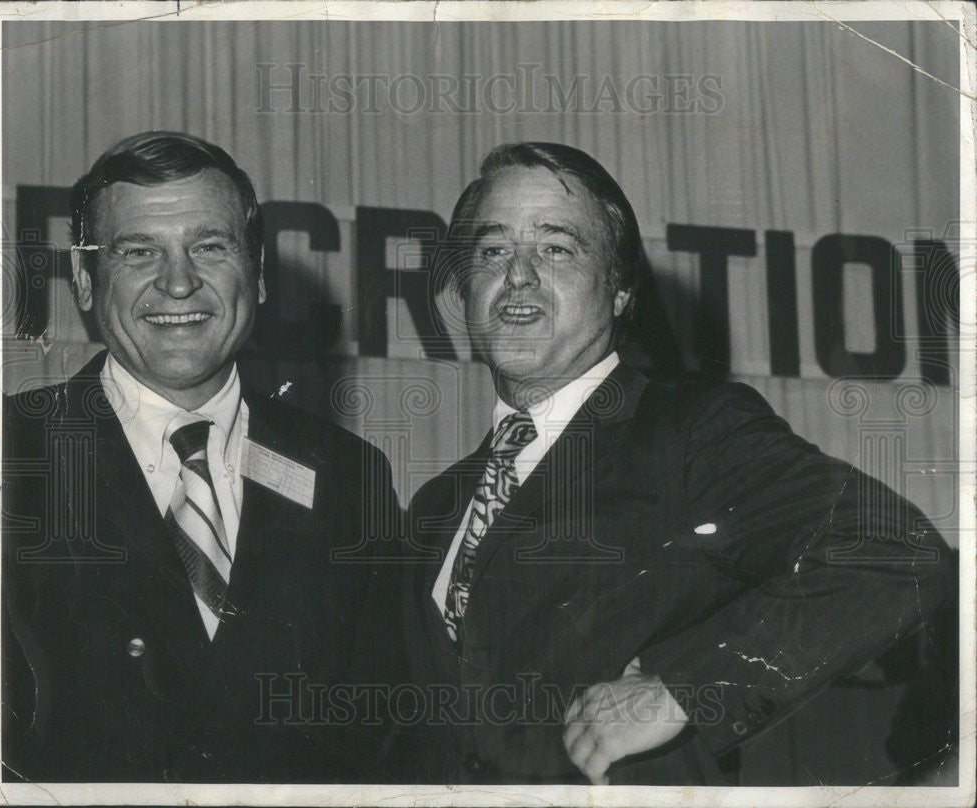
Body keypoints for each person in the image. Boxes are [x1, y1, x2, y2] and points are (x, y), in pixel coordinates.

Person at [402, 141, 957, 785]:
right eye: (493, 250)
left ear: (619, 291)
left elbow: (895, 549)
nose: (518, 274)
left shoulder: (692, 433)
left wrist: (686, 685)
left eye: (556, 248)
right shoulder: (436, 505)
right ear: (467, 289)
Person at [1, 131, 400, 782]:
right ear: (82, 275)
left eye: (210, 247)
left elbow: (387, 738)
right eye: (138, 251)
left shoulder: (348, 477)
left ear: (259, 272)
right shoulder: (7, 457)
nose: (179, 282)